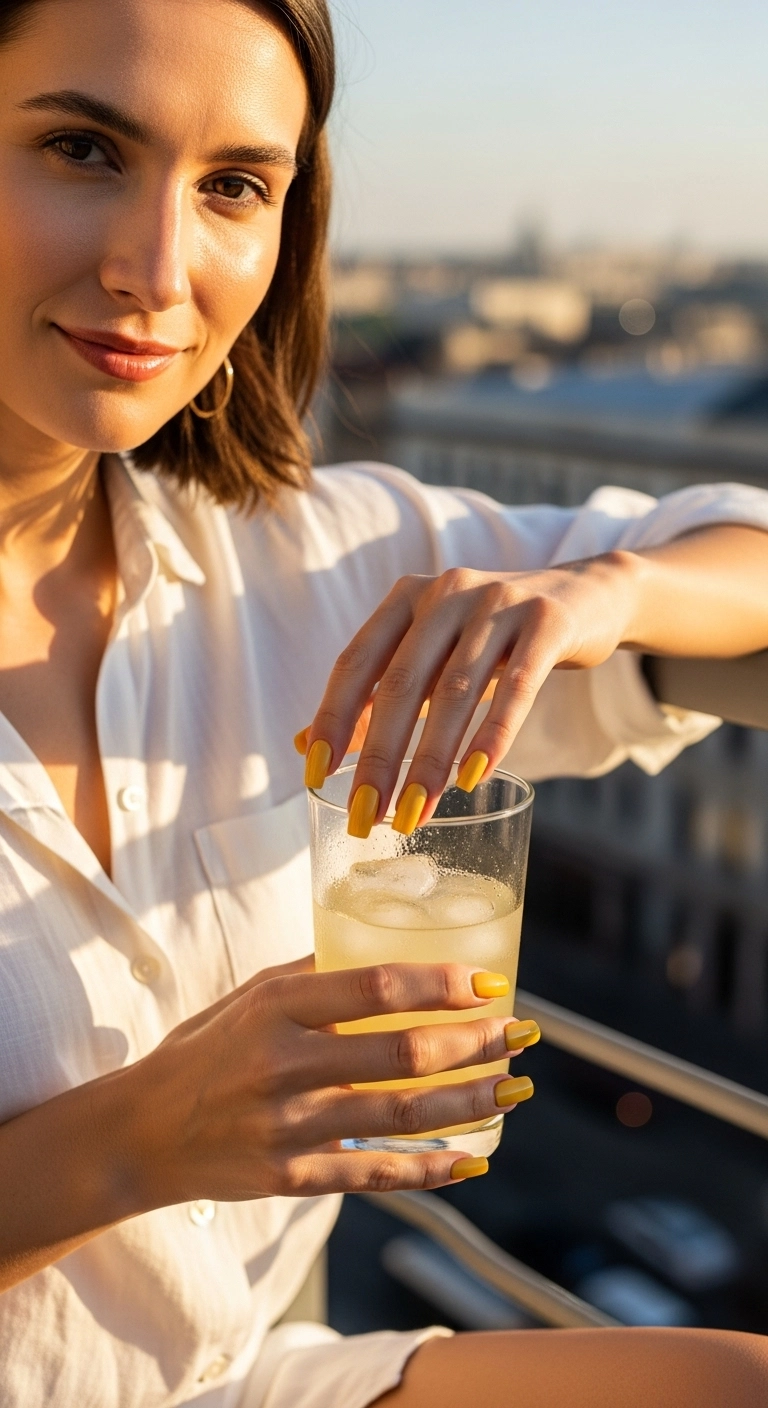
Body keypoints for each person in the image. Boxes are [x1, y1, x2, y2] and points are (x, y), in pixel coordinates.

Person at [1, 1, 768, 1404]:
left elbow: (750, 544)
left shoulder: (310, 557)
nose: (159, 269)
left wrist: (603, 591)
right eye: (80, 148)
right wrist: (140, 1137)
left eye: (235, 185)